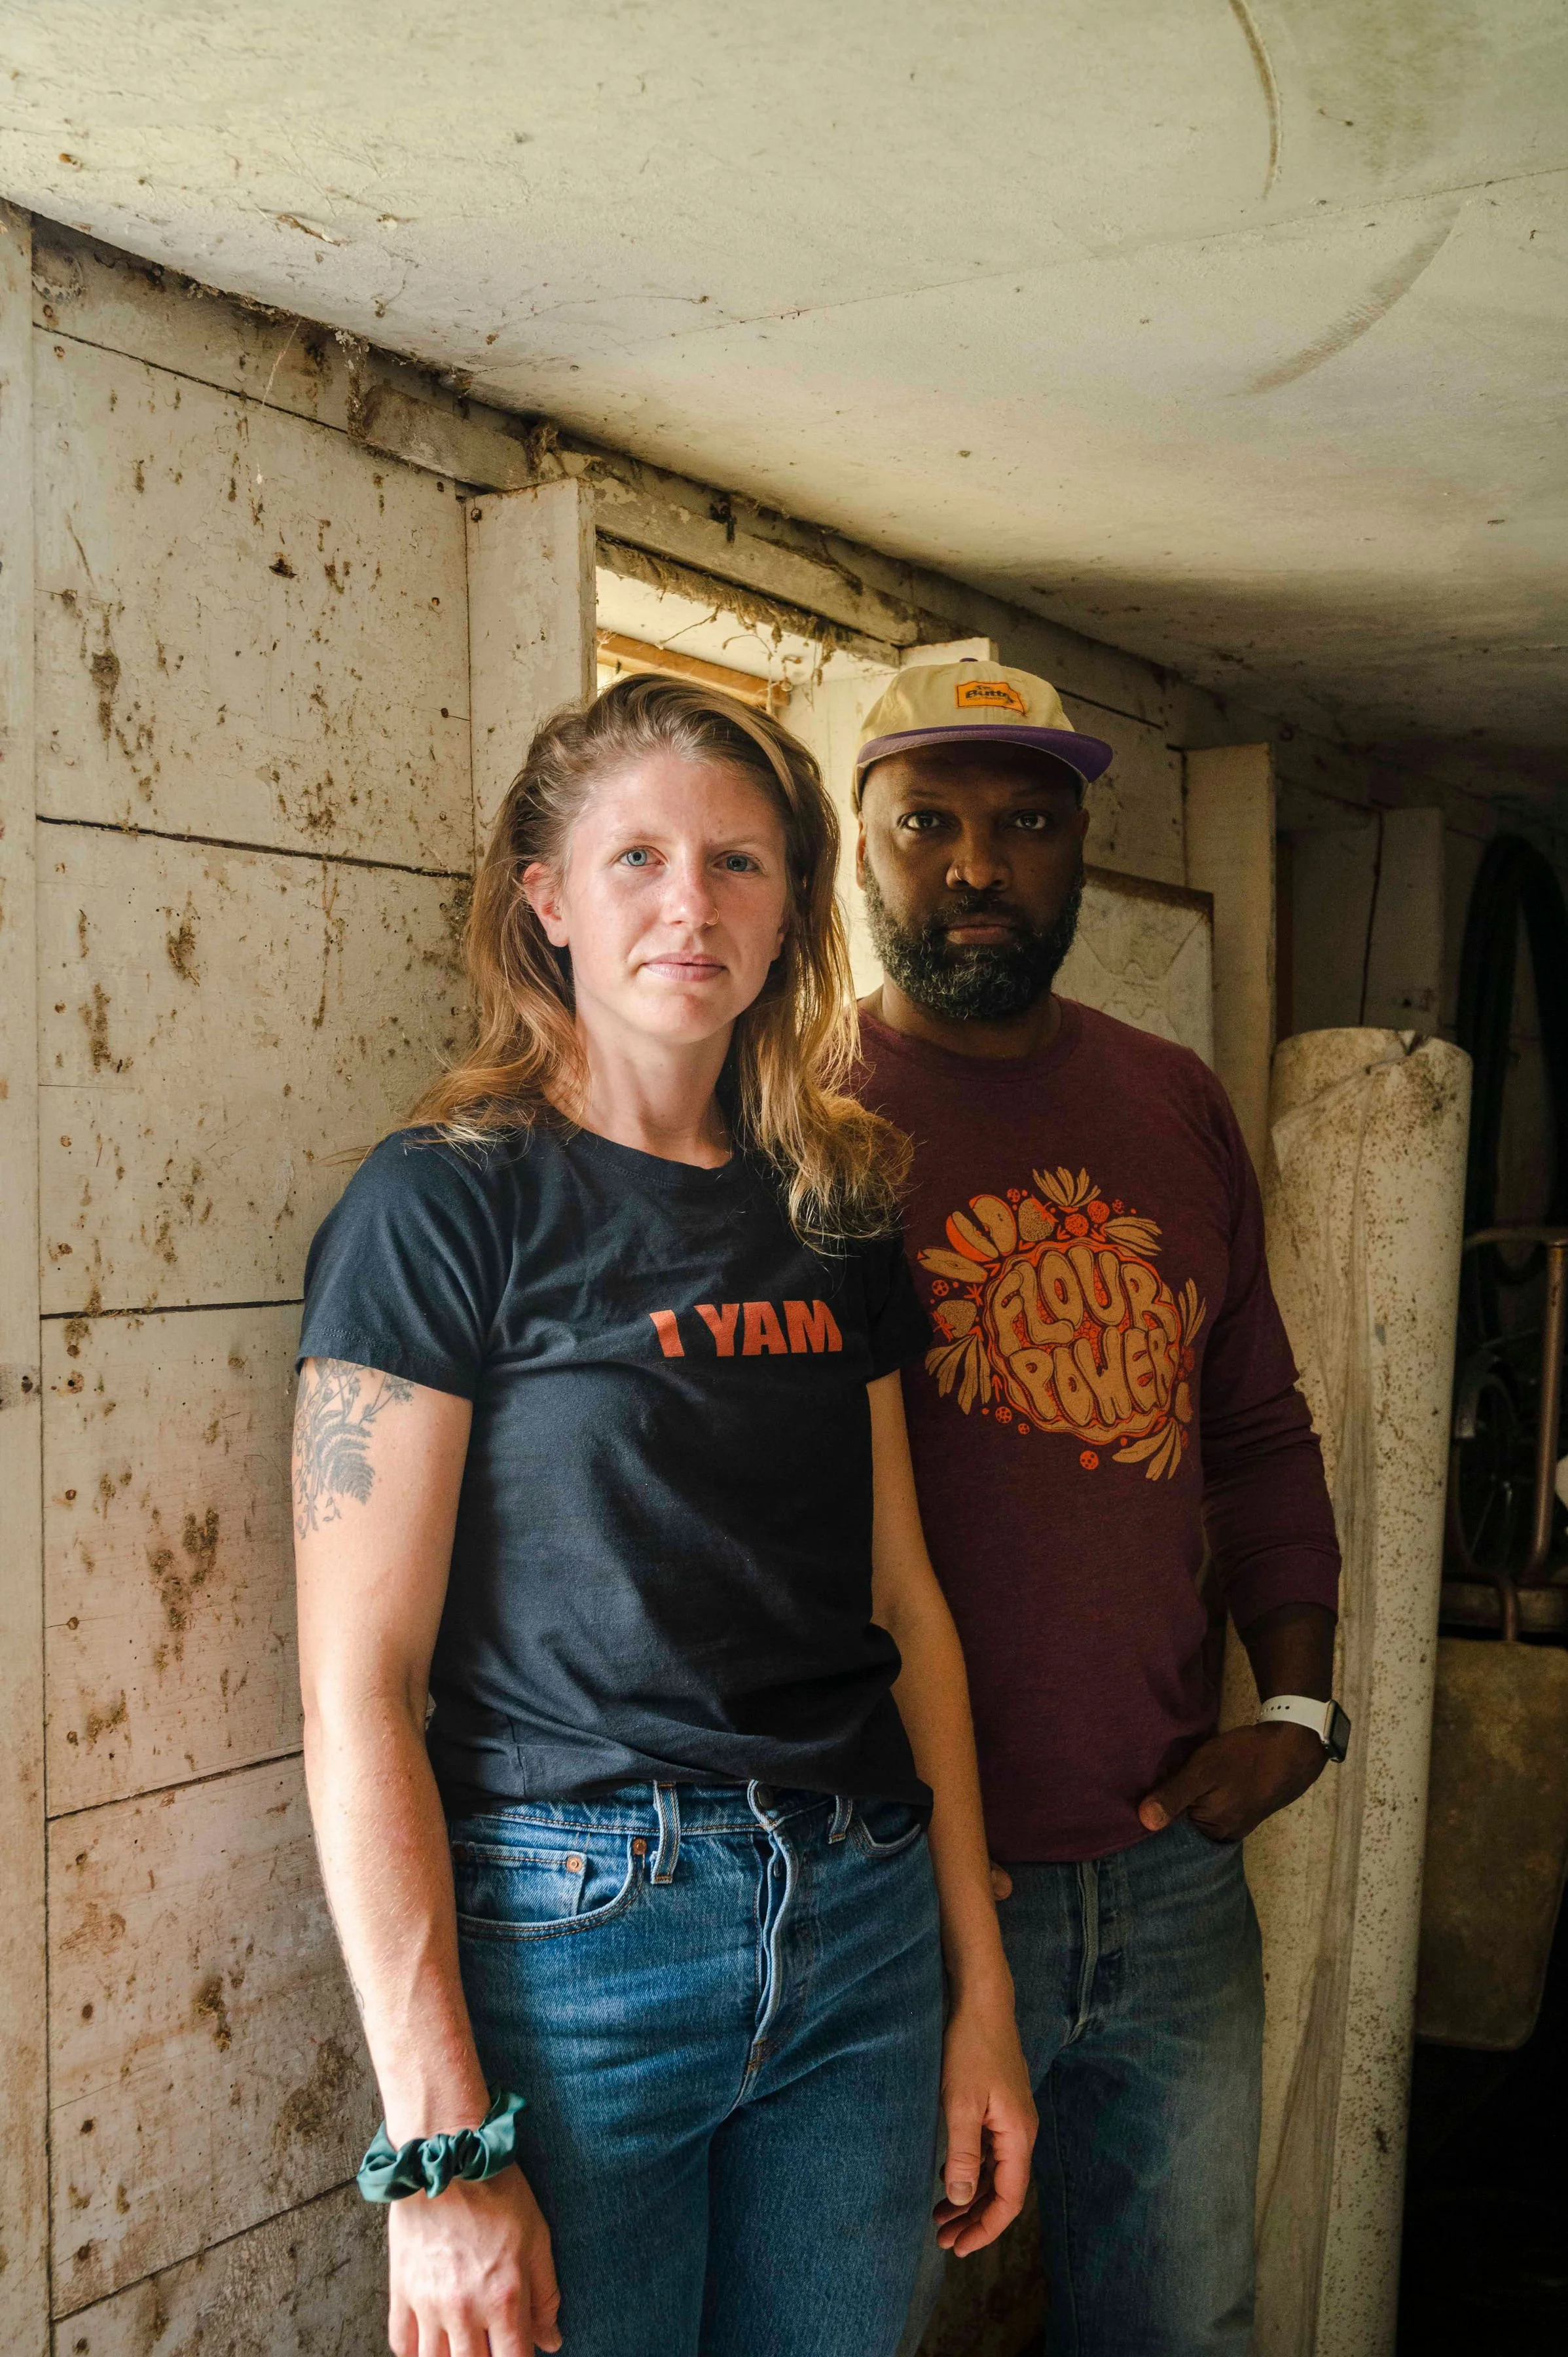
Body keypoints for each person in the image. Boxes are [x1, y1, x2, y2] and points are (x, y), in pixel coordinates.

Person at [292, 674, 1036, 2357]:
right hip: (581, 1943)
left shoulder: (833, 1203)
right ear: (546, 900)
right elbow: (359, 1691)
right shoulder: (442, 1202)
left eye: (739, 862)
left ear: (791, 910)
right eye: (636, 858)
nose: (690, 904)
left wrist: (979, 1999)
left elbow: (904, 1608)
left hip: (860, 1930)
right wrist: (438, 2151)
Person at [852, 661, 1344, 2357]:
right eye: (927, 822)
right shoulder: (803, 1123)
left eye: (1026, 821)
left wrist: (1297, 1713)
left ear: (1080, 849)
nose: (975, 865)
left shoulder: (1172, 1102)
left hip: (1166, 1872)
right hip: (896, 1892)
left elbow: (1256, 1433)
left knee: (1183, 2327)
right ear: (861, 844)